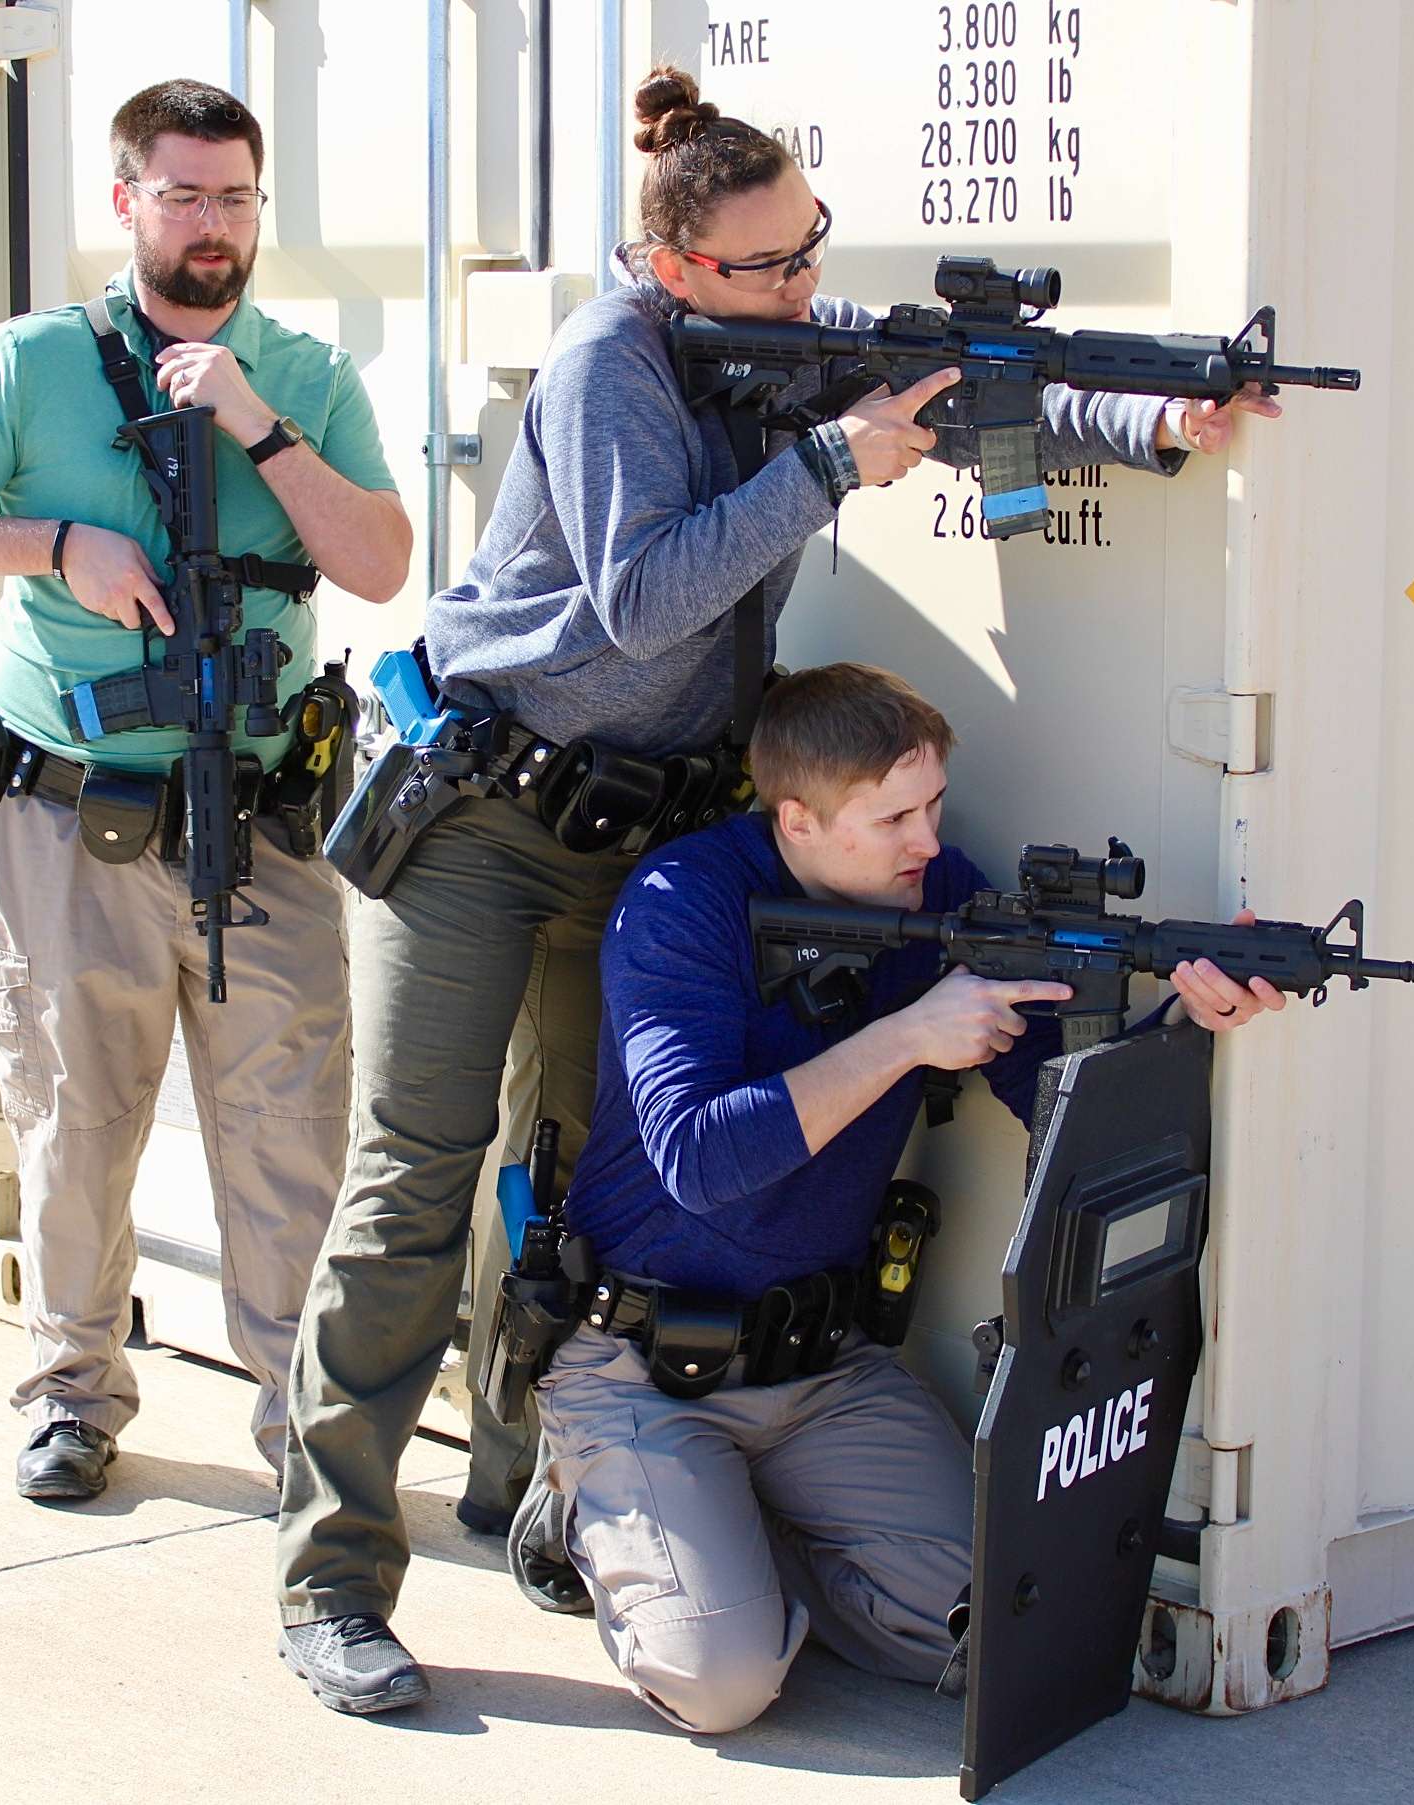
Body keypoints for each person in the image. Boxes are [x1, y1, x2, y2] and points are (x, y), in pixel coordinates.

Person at [274, 63, 1275, 1713]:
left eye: (816, 251)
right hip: (479, 820)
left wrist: (1159, 417)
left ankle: (544, 1488)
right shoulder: (610, 362)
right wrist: (827, 469)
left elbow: (970, 385)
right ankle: (333, 1581)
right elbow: (644, 596)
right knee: (414, 1178)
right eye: (774, 268)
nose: (810, 289)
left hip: (639, 831)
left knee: (593, 1173)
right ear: (678, 272)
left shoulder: (779, 318)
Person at [531, 662, 1287, 1732]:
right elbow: (696, 1155)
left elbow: (1052, 1101)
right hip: (644, 1358)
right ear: (797, 817)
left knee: (1005, 1625)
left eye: (932, 803)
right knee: (723, 1682)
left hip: (821, 1365)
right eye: (894, 816)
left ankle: (728, 1539)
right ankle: (588, 1508)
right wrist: (904, 1038)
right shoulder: (682, 902)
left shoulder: (937, 892)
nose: (929, 841)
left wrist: (1180, 1018)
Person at [0, 79, 409, 1501]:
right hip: (69, 819)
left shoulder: (304, 370)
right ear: (126, 202)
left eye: (235, 197)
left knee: (291, 1141)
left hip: (269, 821)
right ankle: (71, 1392)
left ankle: (305, 1427)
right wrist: (55, 547)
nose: (212, 224)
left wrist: (258, 426)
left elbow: (378, 562)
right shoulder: (32, 362)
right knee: (71, 1122)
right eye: (182, 195)